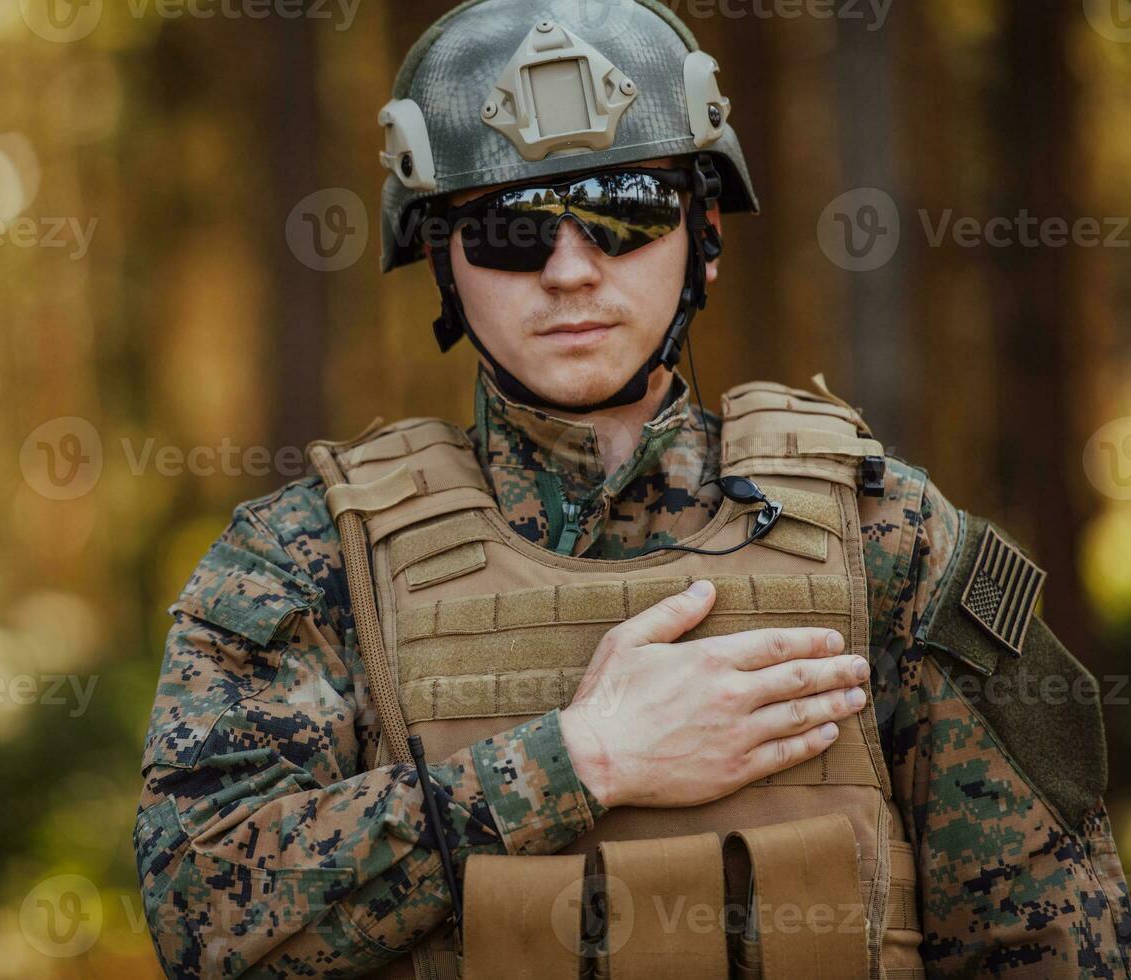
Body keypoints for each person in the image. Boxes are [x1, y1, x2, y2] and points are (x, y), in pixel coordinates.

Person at [133, 1, 1130, 977]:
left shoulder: (888, 529)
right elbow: (205, 915)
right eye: (510, 229)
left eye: (625, 212)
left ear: (702, 233)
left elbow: (1048, 928)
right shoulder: (307, 562)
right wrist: (580, 759)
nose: (570, 270)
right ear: (443, 258)